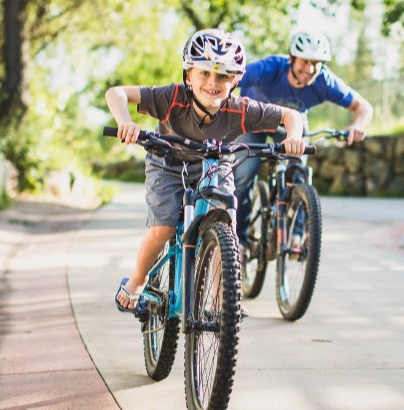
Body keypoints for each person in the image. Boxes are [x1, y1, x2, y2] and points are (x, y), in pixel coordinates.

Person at [106, 28, 306, 313]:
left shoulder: (241, 109)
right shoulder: (171, 97)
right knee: (162, 228)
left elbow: (291, 115)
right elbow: (116, 93)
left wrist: (293, 136)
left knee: (224, 225)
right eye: (204, 73)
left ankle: (223, 301)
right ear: (189, 75)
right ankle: (138, 280)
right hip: (168, 162)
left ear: (235, 80)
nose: (213, 82)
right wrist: (125, 121)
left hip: (215, 164)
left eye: (223, 75)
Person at [233, 29, 374, 252]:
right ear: (291, 59)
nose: (309, 69)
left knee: (299, 169)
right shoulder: (270, 69)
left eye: (316, 64)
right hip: (253, 120)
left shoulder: (324, 81)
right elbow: (232, 78)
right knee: (245, 172)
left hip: (292, 125)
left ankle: (297, 235)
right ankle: (238, 241)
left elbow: (364, 107)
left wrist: (358, 126)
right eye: (304, 62)